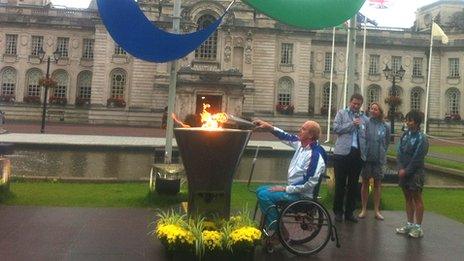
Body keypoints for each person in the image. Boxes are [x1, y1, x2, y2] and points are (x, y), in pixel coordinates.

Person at [253, 119, 327, 233]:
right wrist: (269, 127)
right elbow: (285, 136)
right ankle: (273, 227)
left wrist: (285, 188)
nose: (299, 130)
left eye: (303, 129)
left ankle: (278, 232)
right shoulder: (301, 144)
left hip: (302, 196)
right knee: (259, 190)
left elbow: (309, 182)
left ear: (311, 135)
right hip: (294, 190)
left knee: (264, 195)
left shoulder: (315, 154)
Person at [332, 93, 368, 223]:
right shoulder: (341, 114)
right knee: (340, 184)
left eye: (358, 104)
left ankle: (349, 213)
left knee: (353, 185)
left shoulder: (364, 118)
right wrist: (352, 124)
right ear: (350, 102)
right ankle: (338, 212)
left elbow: (366, 137)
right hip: (341, 154)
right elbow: (336, 128)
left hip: (357, 154)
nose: (356, 106)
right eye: (354, 103)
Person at [395, 110, 429, 238]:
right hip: (404, 172)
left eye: (410, 120)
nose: (408, 123)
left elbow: (418, 157)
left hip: (416, 173)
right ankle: (409, 224)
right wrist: (399, 168)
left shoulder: (422, 138)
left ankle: (418, 227)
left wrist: (406, 170)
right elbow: (399, 152)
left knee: (417, 198)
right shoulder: (405, 135)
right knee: (407, 198)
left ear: (417, 122)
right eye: (407, 120)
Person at [358, 102, 390, 220]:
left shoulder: (385, 126)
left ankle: (377, 210)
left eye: (376, 109)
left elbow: (386, 143)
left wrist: (381, 152)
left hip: (379, 159)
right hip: (367, 158)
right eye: (372, 108)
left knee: (377, 184)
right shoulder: (366, 122)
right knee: (365, 183)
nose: (373, 111)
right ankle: (364, 209)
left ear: (380, 111)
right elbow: (362, 138)